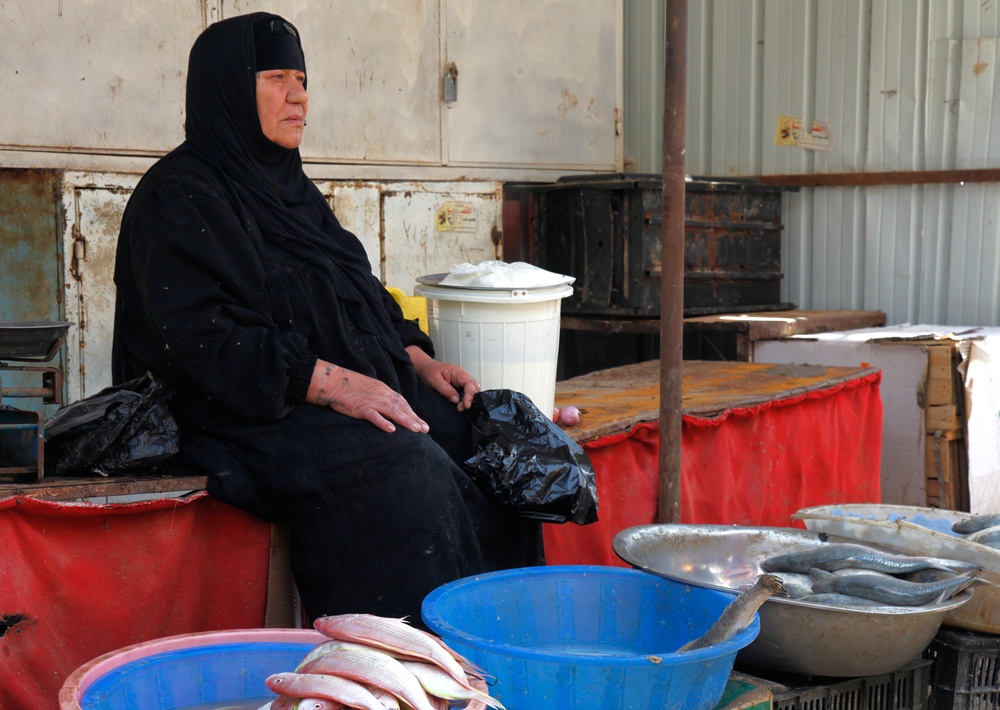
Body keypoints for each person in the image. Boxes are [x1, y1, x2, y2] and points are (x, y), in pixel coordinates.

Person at [112, 12, 544, 625]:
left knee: (494, 446)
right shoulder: (178, 196)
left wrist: (416, 358)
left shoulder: (290, 188)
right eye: (277, 78)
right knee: (405, 467)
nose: (299, 96)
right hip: (230, 412)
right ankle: (403, 664)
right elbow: (203, 343)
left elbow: (354, 288)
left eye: (303, 79)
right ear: (229, 89)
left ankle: (505, 650)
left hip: (313, 395)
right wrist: (332, 384)